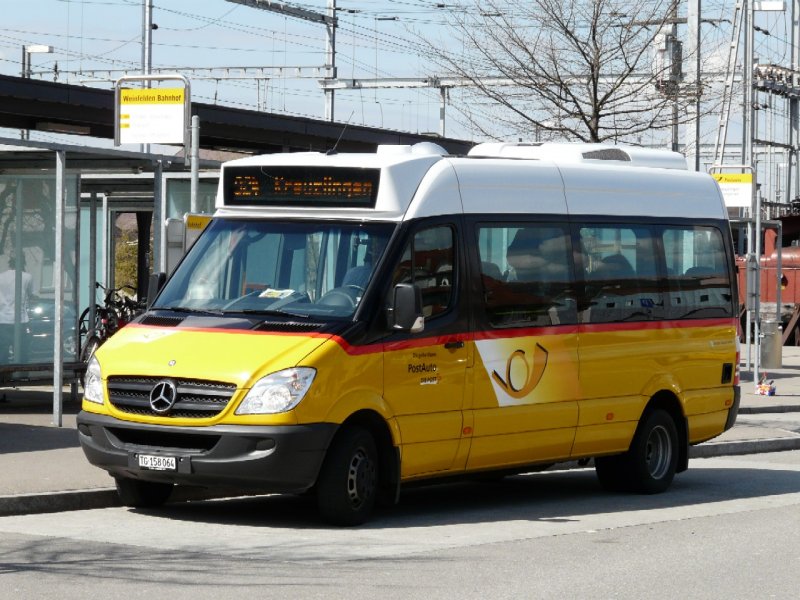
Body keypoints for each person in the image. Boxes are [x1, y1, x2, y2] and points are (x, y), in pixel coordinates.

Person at [0, 255, 33, 364]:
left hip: (3, 320)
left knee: (2, 353)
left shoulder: (1, 277)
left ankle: (4, 377)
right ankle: (21, 376)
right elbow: (30, 295)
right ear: (23, 263)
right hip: (21, 320)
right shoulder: (27, 277)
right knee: (22, 351)